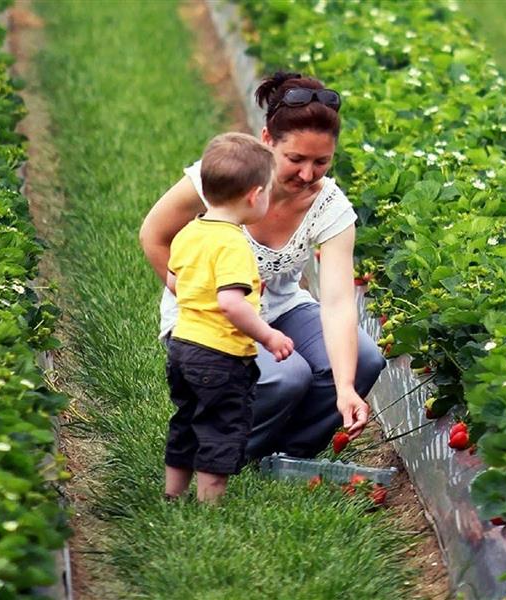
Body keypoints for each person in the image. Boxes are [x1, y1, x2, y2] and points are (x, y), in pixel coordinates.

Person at [140, 71, 386, 461]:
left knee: (365, 359)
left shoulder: (330, 207)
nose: (307, 175)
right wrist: (188, 291)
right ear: (267, 140)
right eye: (295, 159)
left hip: (281, 310)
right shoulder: (224, 177)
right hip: (212, 313)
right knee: (287, 378)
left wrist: (344, 387)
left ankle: (287, 455)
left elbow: (338, 304)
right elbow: (153, 234)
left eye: (321, 161)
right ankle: (221, 452)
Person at [164, 132, 294, 502]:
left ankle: (173, 496)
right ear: (254, 195)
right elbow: (231, 304)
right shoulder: (234, 242)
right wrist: (268, 336)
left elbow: (176, 281)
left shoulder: (191, 231)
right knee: (220, 429)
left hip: (182, 345)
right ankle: (210, 509)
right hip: (219, 355)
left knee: (186, 422)